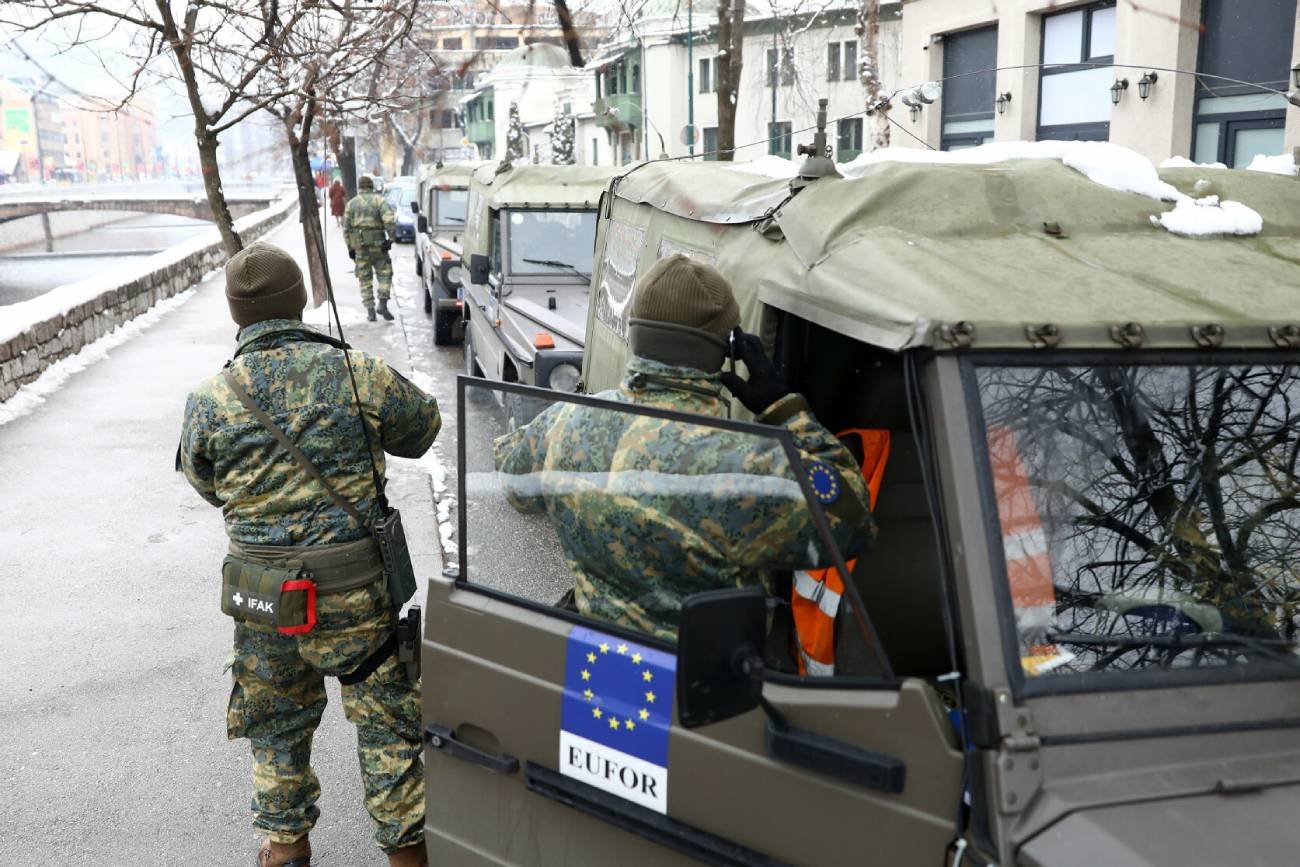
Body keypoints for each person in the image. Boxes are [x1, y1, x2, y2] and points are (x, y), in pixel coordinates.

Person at [178, 242, 438, 867]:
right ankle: (408, 857)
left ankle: (286, 852)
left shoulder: (211, 397)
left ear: (237, 314)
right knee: (389, 735)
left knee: (275, 733)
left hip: (265, 601)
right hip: (360, 602)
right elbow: (422, 429)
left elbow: (205, 483)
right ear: (299, 300)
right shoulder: (358, 373)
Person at [494, 254, 875, 640]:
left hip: (598, 664)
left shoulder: (565, 422)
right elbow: (853, 520)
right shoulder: (748, 462)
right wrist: (784, 409)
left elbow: (513, 482)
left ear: (635, 333)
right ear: (728, 348)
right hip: (709, 686)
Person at [343, 175, 397, 322]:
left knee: (364, 278)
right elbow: (389, 220)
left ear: (360, 187)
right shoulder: (379, 200)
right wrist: (390, 239)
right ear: (371, 186)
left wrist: (350, 247)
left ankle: (370, 311)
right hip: (379, 245)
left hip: (359, 246)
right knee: (385, 273)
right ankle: (383, 303)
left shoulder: (351, 204)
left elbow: (346, 228)